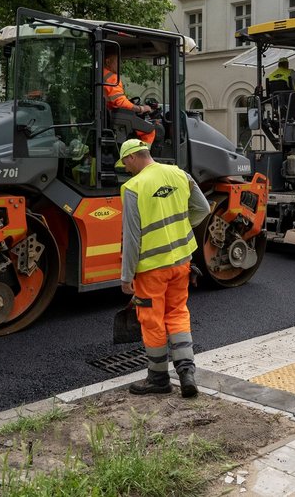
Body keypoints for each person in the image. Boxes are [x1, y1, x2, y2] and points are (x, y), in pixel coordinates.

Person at [118, 139, 210, 397]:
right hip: (181, 262)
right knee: (178, 313)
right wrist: (179, 228)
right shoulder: (180, 174)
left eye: (125, 162)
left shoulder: (133, 187)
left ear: (133, 157)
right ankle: (186, 371)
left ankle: (158, 379)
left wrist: (126, 277)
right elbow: (203, 208)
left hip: (152, 269)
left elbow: (132, 238)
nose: (126, 168)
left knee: (152, 321)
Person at [103, 52, 155, 145]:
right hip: (114, 118)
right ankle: (143, 157)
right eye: (117, 62)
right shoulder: (112, 77)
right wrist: (141, 109)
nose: (120, 65)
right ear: (108, 62)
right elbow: (120, 102)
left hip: (107, 117)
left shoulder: (101, 74)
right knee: (150, 130)